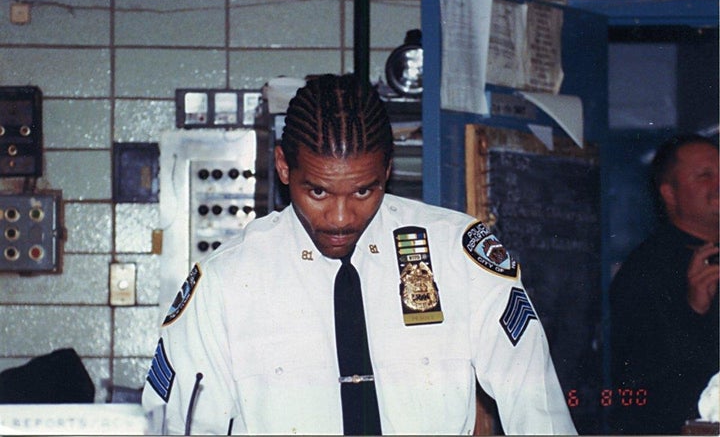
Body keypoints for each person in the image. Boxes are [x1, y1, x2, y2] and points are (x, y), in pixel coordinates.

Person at [141, 74, 577, 435]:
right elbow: (179, 426)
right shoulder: (227, 282)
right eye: (317, 191)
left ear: (387, 169)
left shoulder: (456, 255)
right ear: (283, 167)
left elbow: (538, 408)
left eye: (364, 190)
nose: (340, 217)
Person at [609, 134, 719, 434]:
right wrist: (694, 310)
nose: (718, 183)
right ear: (670, 194)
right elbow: (643, 382)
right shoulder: (648, 267)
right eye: (705, 176)